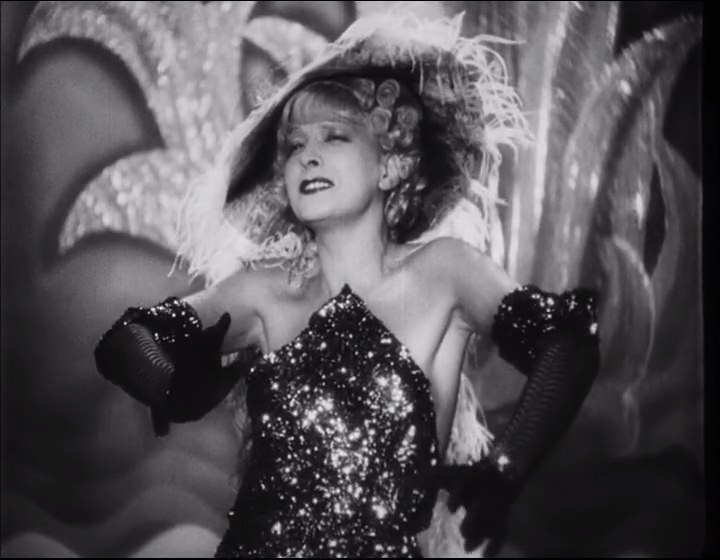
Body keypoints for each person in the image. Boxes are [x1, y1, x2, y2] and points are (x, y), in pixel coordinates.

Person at [94, 12, 600, 559]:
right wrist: (170, 383)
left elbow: (568, 342)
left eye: (334, 136)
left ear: (391, 165)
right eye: (294, 146)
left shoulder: (445, 273)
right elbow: (126, 340)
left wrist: (507, 465)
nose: (307, 155)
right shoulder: (264, 292)